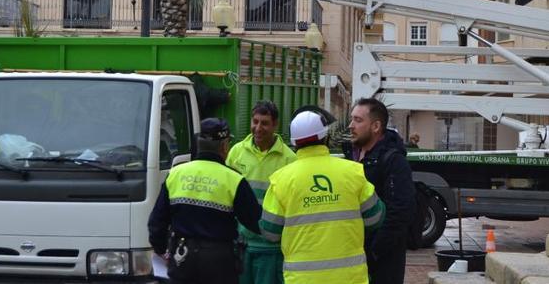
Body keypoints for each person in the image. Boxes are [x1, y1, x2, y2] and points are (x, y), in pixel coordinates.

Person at [260, 108, 385, 284]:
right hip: (350, 278)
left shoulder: (281, 180)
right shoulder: (352, 172)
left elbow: (270, 231)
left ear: (295, 144)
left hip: (302, 279)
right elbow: (375, 217)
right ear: (325, 138)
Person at [148, 118, 261, 284]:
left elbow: (156, 222)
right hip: (219, 262)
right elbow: (255, 221)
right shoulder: (234, 180)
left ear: (198, 144)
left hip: (182, 257)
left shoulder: (175, 174)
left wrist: (162, 250)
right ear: (224, 146)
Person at [226, 101, 298, 284]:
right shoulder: (236, 153)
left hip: (271, 249)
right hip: (241, 245)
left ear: (275, 125)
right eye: (255, 121)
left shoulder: (289, 159)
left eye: (264, 123)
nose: (258, 128)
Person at [347, 98, 416, 284]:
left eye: (358, 120)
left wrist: (374, 251)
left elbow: (400, 212)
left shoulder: (394, 161)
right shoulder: (350, 157)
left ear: (376, 126)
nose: (351, 125)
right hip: (354, 260)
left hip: (382, 264)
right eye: (352, 119)